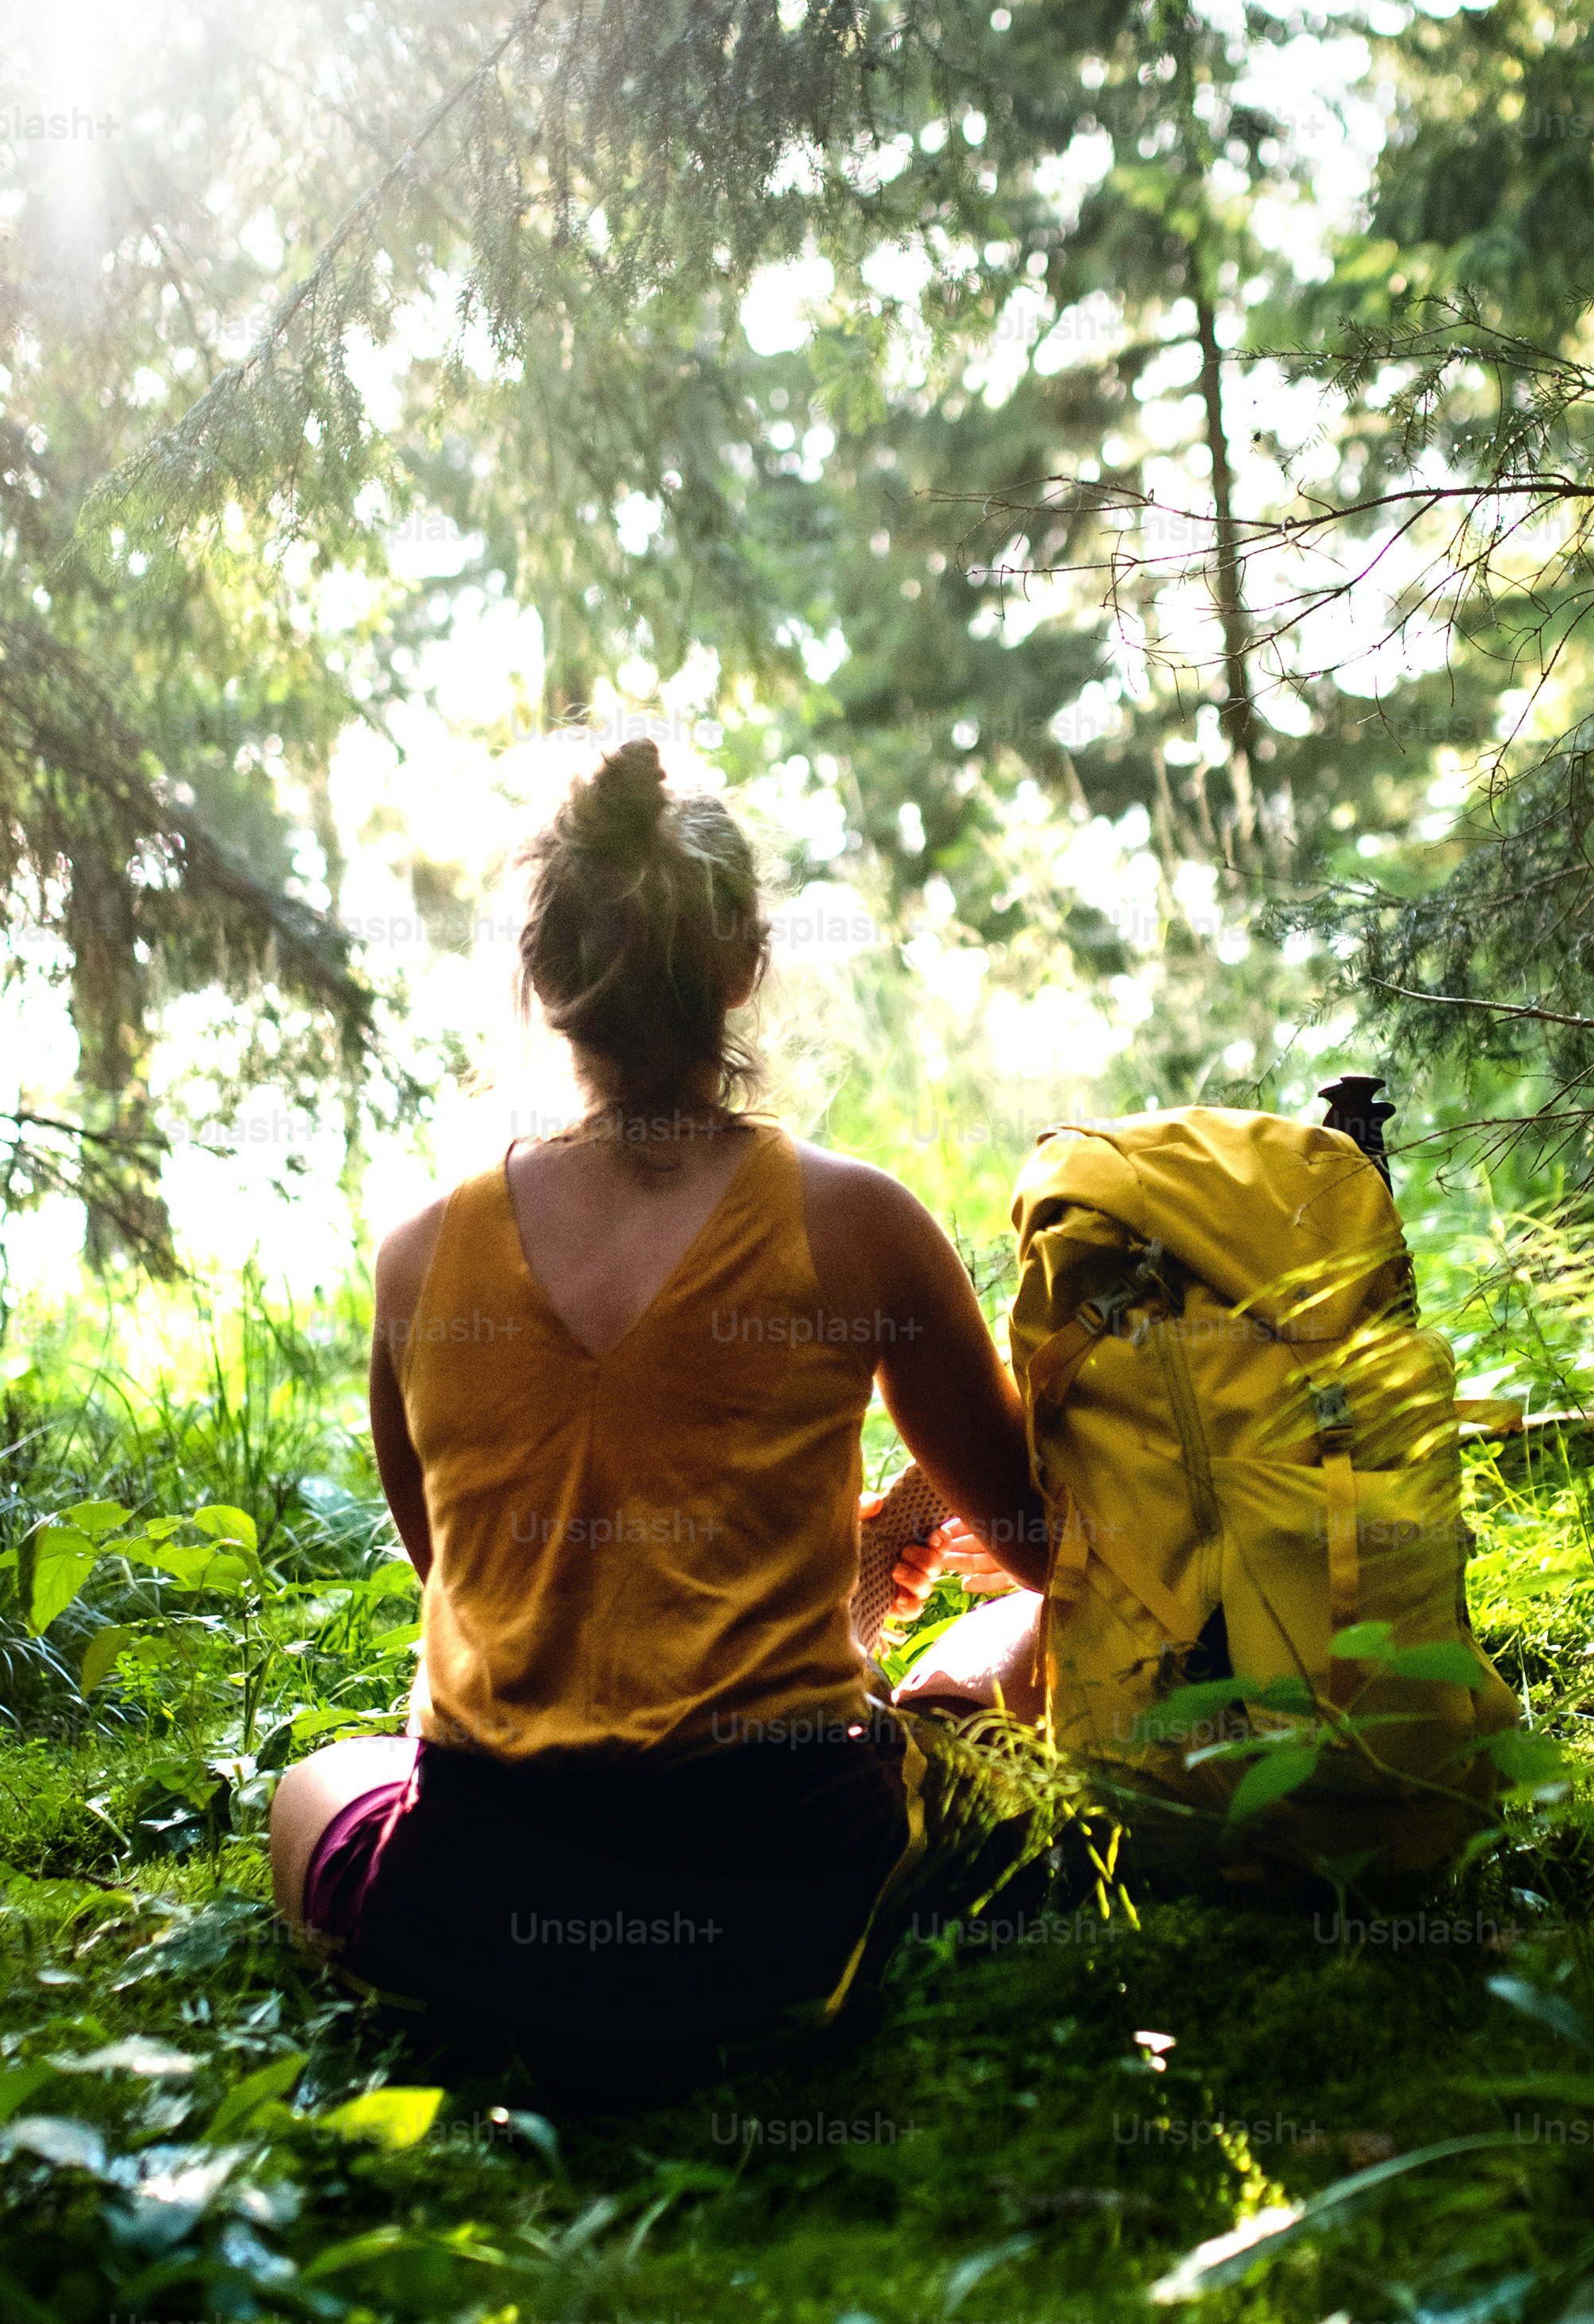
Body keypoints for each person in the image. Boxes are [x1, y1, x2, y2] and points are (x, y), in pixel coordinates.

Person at [266, 739, 1048, 2098]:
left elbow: (475, 1586)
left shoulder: (415, 1261)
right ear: (744, 967)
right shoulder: (857, 1221)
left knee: (319, 1781)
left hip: (486, 1912)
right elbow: (1049, 1542)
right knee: (1009, 1641)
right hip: (797, 1903)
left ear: (547, 982)